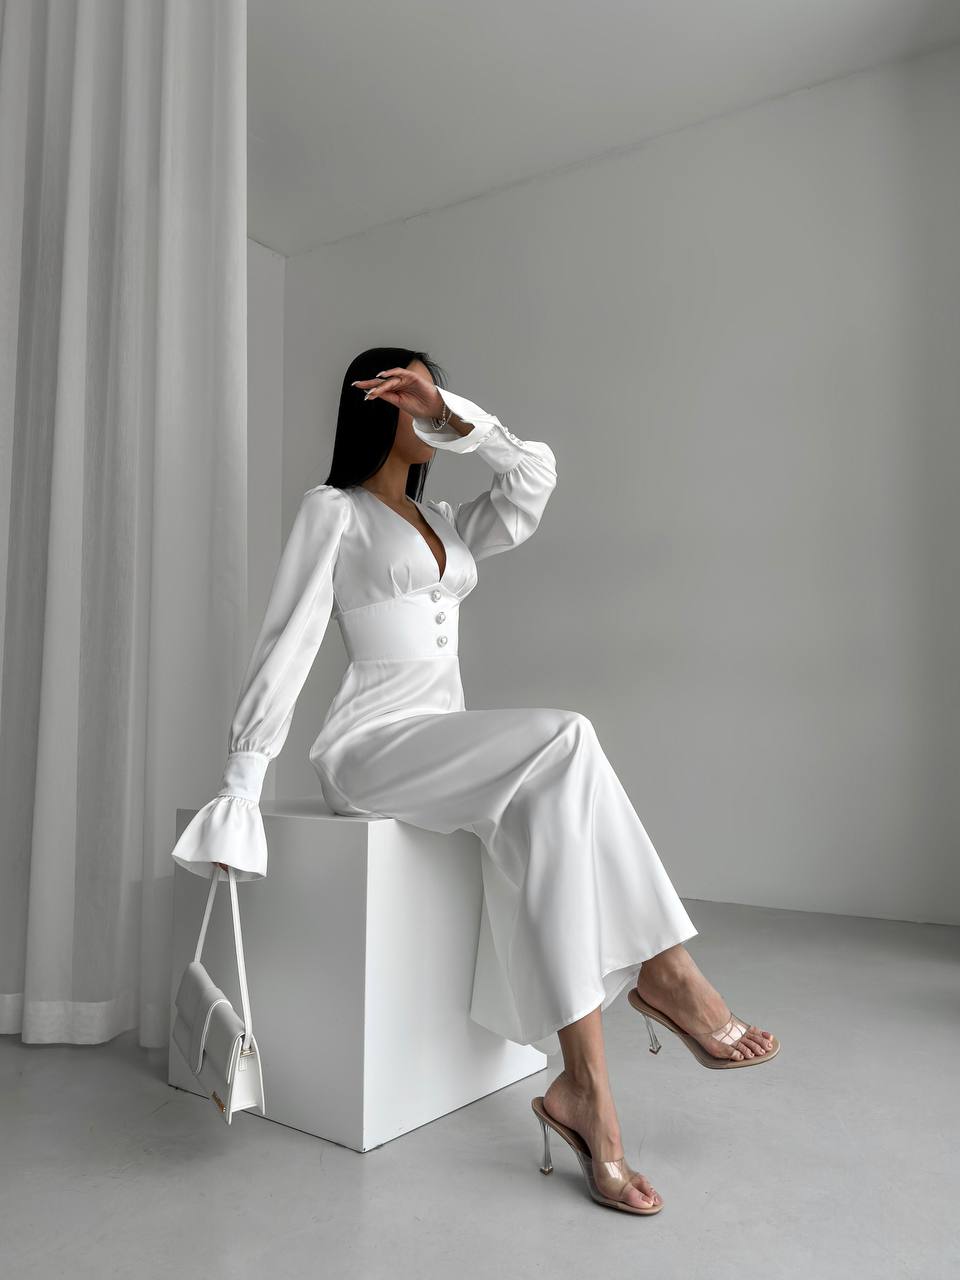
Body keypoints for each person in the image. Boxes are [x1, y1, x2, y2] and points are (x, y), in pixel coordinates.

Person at [171, 346, 779, 1215]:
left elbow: (533, 478)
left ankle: (585, 1095)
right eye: (412, 389)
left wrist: (457, 416)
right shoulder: (332, 511)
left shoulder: (446, 523)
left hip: (441, 738)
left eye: (435, 389)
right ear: (379, 402)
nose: (428, 405)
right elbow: (290, 640)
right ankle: (667, 972)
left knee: (552, 820)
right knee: (569, 737)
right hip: (371, 746)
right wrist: (241, 784)